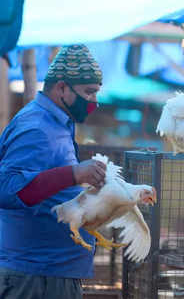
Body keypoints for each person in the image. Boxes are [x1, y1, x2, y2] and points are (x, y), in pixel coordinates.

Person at [0, 44, 106, 299]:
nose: (94, 101)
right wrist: (74, 175)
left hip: (49, 275)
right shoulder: (36, 128)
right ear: (61, 88)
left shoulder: (58, 123)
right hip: (35, 278)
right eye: (89, 92)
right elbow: (7, 188)